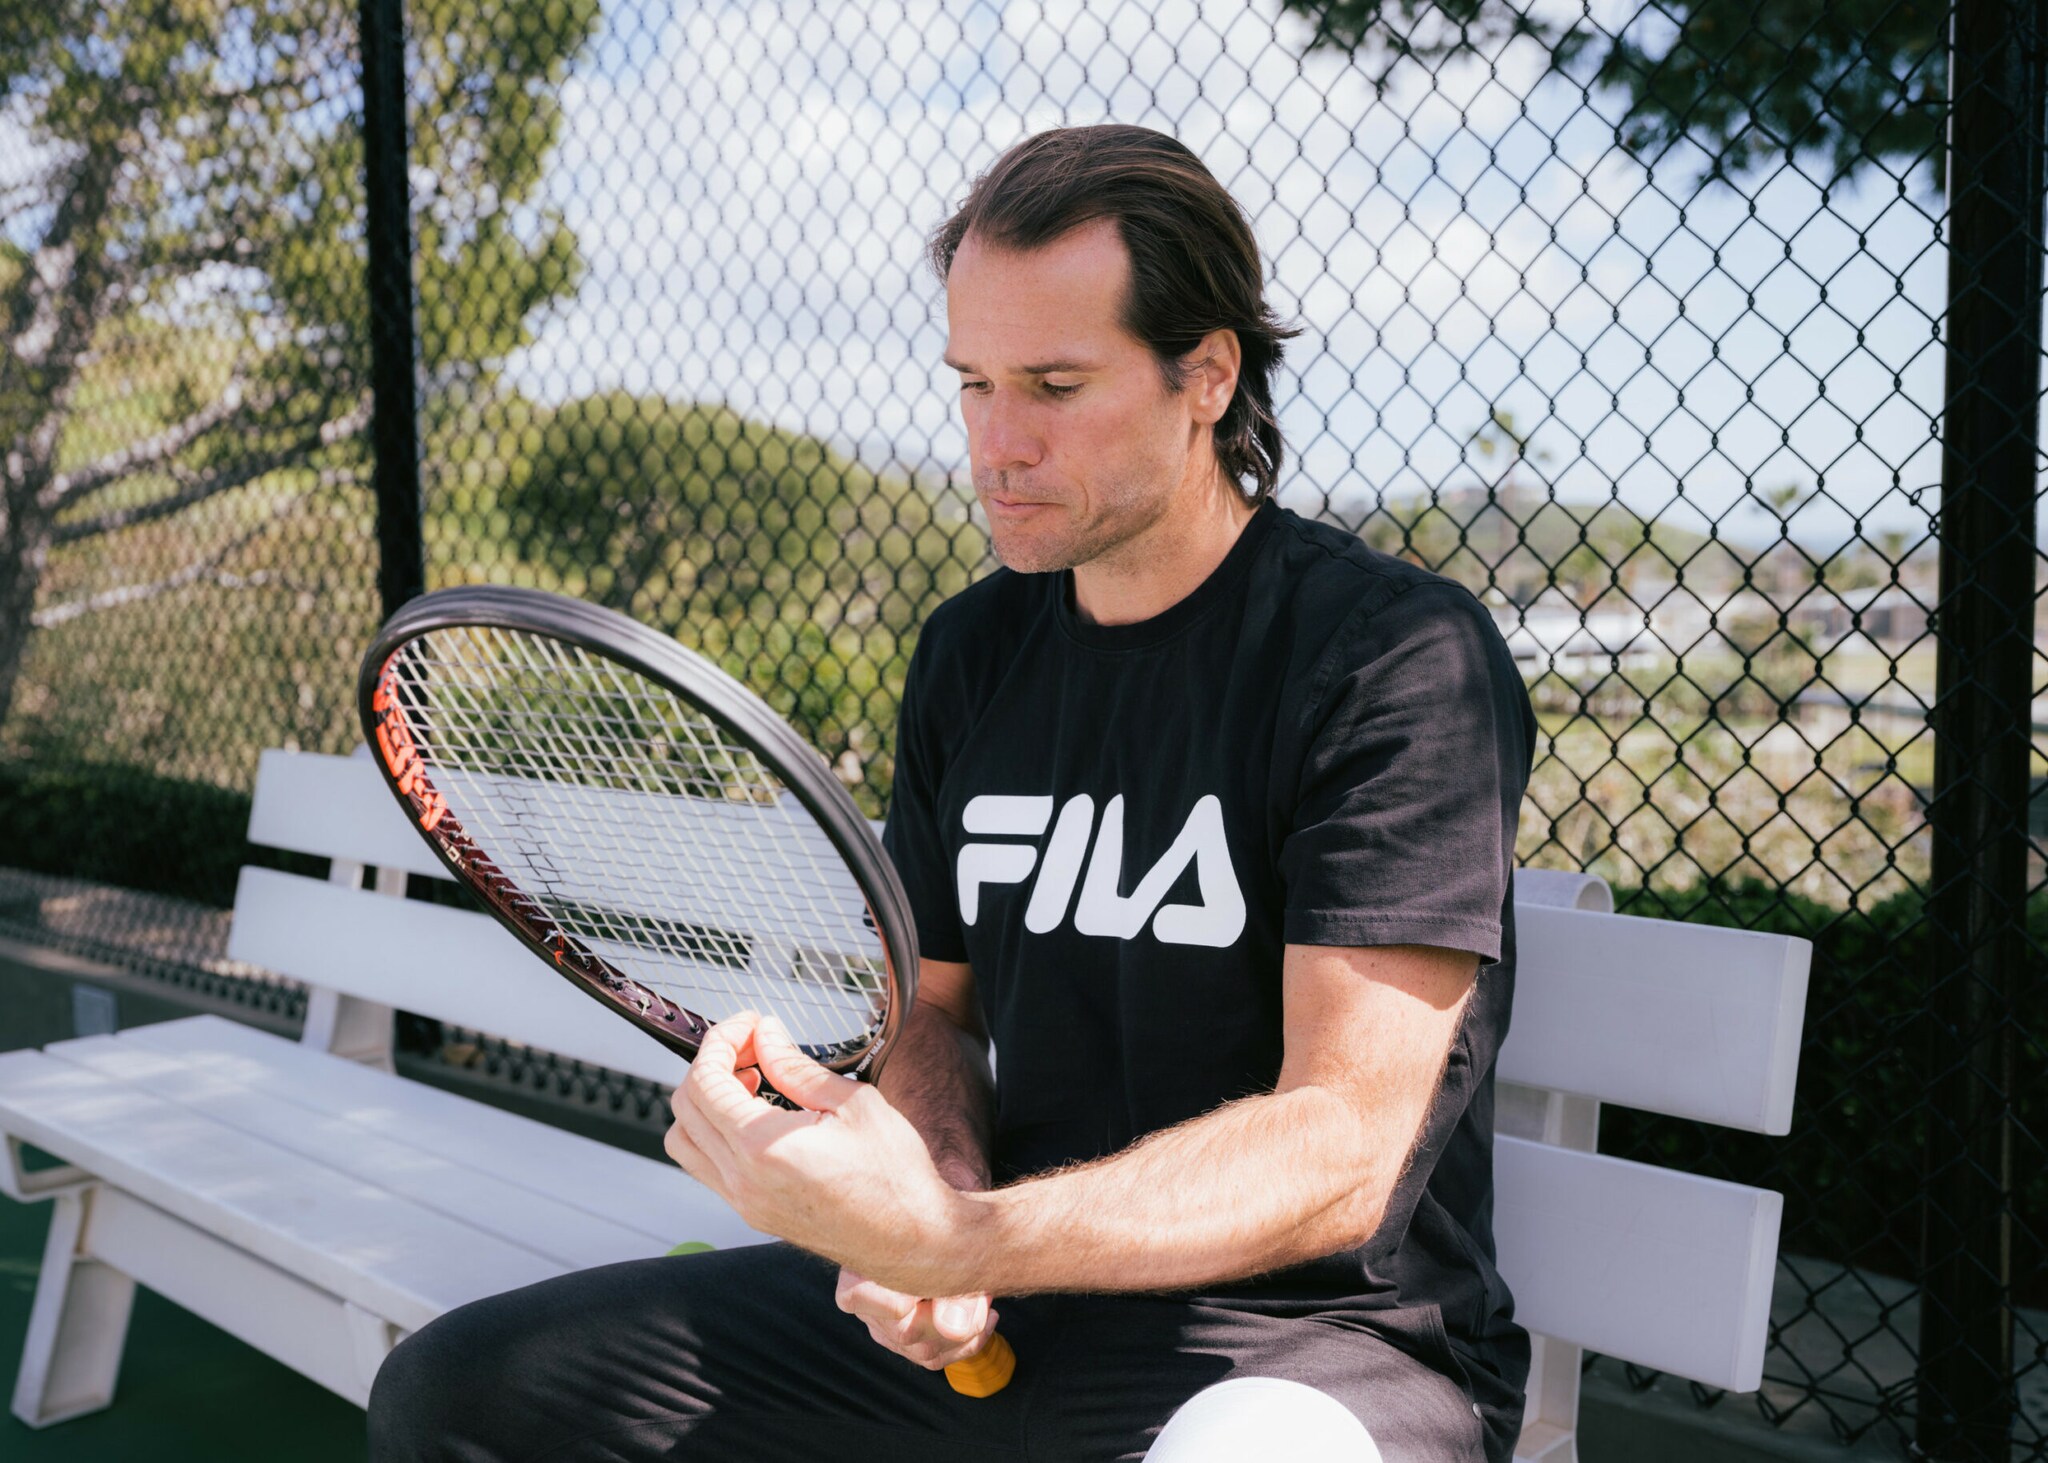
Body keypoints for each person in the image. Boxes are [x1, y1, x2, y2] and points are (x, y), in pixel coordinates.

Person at [368, 122, 1535, 1463]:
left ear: (1203, 375)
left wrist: (958, 1233)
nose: (998, 441)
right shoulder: (971, 654)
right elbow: (930, 1005)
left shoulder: (1389, 655)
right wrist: (938, 1187)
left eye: (1053, 382)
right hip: (1021, 1301)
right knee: (462, 1396)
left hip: (1312, 1350)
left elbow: (1345, 1147)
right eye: (973, 382)